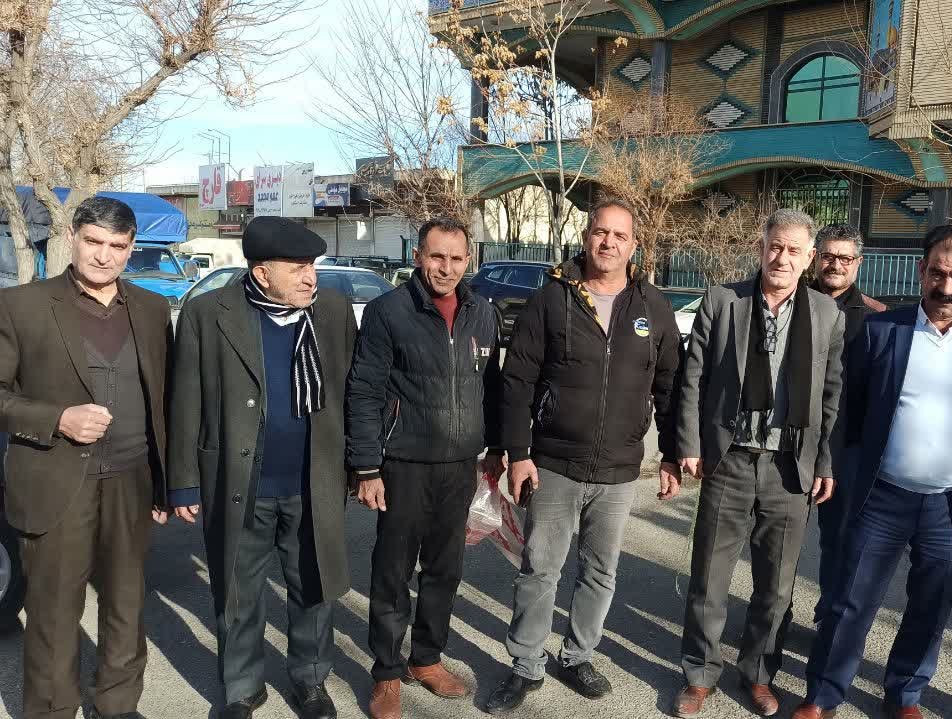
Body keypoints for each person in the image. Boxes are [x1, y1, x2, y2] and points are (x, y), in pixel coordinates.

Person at [794, 224, 952, 719]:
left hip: (950, 505)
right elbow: (845, 411)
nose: (946, 286)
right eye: (937, 273)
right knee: (849, 601)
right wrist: (836, 470)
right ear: (921, 271)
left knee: (930, 608)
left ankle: (904, 695)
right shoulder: (881, 331)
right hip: (880, 497)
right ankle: (823, 695)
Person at [484, 198, 683, 715]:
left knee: (600, 572)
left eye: (620, 235)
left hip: (619, 469)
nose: (608, 242)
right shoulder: (552, 298)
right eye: (600, 232)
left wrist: (673, 453)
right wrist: (518, 453)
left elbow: (669, 386)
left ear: (634, 245)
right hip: (554, 462)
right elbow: (518, 379)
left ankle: (577, 657)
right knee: (539, 569)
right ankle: (525, 664)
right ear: (587, 236)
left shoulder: (653, 306)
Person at [167, 217, 357, 719]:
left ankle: (310, 681)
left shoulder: (332, 311)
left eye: (312, 266)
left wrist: (359, 466)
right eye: (298, 268)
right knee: (237, 591)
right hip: (239, 481)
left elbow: (351, 392)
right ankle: (242, 688)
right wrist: (183, 482)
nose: (310, 278)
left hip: (313, 481)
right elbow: (185, 399)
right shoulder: (209, 313)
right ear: (261, 273)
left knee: (312, 587)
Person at [0, 197, 172, 719]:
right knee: (53, 613)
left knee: (126, 606)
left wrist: (167, 485)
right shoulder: (21, 305)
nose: (103, 256)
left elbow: (163, 400)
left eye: (117, 246)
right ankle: (53, 710)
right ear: (72, 237)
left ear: (131, 248)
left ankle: (117, 705)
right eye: (93, 241)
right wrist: (57, 418)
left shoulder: (152, 309)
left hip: (132, 481)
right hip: (55, 481)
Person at [674, 208, 844, 718]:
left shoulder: (827, 314)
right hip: (729, 459)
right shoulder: (723, 301)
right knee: (709, 577)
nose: (782, 258)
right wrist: (688, 443)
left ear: (809, 258)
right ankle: (700, 674)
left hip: (789, 469)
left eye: (794, 250)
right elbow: (693, 377)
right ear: (761, 247)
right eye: (775, 246)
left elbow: (831, 396)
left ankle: (759, 674)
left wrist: (824, 462)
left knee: (776, 586)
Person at [346, 218, 506, 719]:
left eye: (457, 259)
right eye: (437, 257)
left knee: (444, 569)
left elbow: (493, 387)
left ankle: (427, 658)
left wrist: (498, 448)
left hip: (460, 466)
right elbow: (364, 391)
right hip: (404, 465)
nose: (447, 268)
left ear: (468, 260)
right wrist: (366, 467)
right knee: (393, 571)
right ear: (418, 256)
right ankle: (387, 673)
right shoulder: (388, 311)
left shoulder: (483, 312)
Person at [810, 222, 886, 623]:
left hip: (847, 449)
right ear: (815, 258)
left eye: (844, 258)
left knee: (839, 541)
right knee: (776, 540)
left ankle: (829, 618)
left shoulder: (877, 318)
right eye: (828, 256)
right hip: (789, 442)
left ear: (858, 263)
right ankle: (772, 618)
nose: (835, 265)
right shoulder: (790, 303)